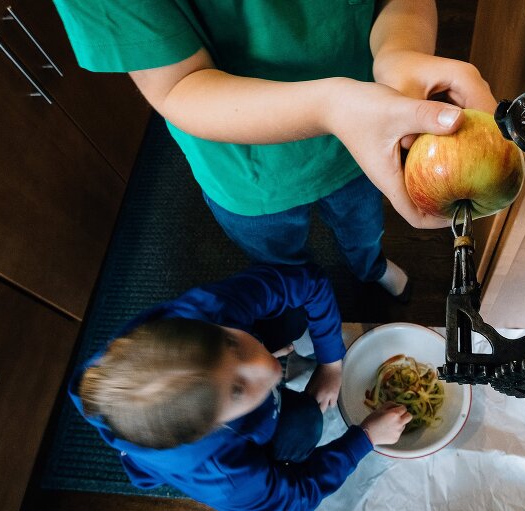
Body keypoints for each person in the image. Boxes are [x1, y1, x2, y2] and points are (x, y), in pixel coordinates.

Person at [52, 0, 498, 301]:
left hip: (363, 143)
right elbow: (175, 86)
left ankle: (369, 266)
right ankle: (302, 298)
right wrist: (331, 106)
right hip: (246, 172)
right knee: (279, 257)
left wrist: (400, 53)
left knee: (362, 227)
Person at [70, 263, 412, 510]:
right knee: (306, 423)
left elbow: (309, 281)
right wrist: (364, 438)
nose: (267, 367)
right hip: (230, 452)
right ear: (217, 428)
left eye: (231, 344)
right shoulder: (226, 478)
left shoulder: (205, 310)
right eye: (237, 390)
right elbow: (296, 496)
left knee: (291, 313)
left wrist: (331, 362)